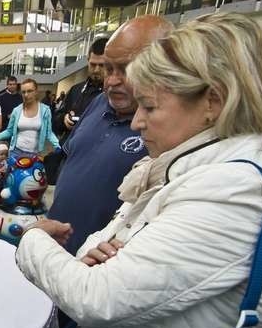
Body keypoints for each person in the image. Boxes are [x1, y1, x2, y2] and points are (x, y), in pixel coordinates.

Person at [16, 12, 262, 328]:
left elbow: (96, 297)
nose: (136, 120)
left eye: (149, 105)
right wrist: (101, 260)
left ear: (213, 102)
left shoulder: (231, 192)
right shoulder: (188, 171)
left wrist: (32, 238)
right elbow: (106, 250)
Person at [46, 15, 173, 255]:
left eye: (126, 69)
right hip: (57, 246)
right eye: (108, 68)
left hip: (102, 265)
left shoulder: (169, 130)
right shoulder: (98, 103)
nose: (112, 81)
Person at [0, 78, 59, 159]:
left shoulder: (45, 110)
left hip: (35, 155)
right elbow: (9, 131)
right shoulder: (16, 110)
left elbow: (49, 132)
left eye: (30, 91)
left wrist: (58, 145)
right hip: (16, 152)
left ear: (36, 91)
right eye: (23, 92)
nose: (26, 95)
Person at [52, 37, 108, 142]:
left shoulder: (114, 94)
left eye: (101, 65)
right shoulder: (76, 90)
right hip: (69, 151)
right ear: (88, 61)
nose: (96, 70)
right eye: (93, 64)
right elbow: (55, 121)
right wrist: (64, 119)